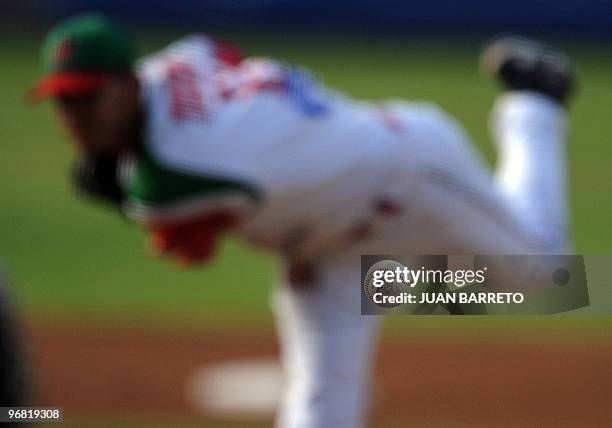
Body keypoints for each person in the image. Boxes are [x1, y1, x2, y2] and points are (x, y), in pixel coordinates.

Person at [31, 13, 575, 428]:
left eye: (86, 99)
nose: (72, 118)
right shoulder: (172, 65)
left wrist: (118, 186)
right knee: (320, 409)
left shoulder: (182, 170)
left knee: (555, 281)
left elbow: (186, 245)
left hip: (410, 174)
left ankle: (534, 100)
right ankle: (385, 285)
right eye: (63, 103)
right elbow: (213, 50)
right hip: (326, 248)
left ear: (126, 84)